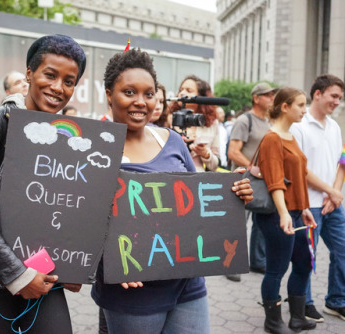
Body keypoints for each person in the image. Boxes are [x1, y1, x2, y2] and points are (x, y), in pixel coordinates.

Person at [91, 48, 253, 334]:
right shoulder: (93, 148)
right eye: (129, 92)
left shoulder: (173, 141)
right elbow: (78, 219)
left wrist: (233, 194)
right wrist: (110, 260)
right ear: (108, 94)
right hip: (133, 291)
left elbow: (195, 203)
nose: (140, 102)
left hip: (187, 283)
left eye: (149, 93)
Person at [0, 34, 86, 333]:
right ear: (29, 73)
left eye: (69, 81)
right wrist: (18, 275)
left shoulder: (70, 138)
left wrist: (75, 266)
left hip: (46, 276)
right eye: (50, 74)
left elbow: (67, 209)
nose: (58, 87)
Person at [254, 87, 317, 333]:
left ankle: (297, 317)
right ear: (285, 107)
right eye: (300, 105)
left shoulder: (290, 136)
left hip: (295, 212)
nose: (304, 110)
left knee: (303, 263)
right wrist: (283, 213)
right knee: (276, 269)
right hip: (276, 215)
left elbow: (298, 177)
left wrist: (304, 208)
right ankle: (273, 321)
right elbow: (275, 182)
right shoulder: (272, 139)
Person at [290, 74, 345, 322]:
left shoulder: (335, 127)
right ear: (318, 94)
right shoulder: (298, 126)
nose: (337, 102)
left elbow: (342, 163)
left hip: (331, 204)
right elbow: (300, 169)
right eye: (334, 96)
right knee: (306, 258)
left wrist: (335, 193)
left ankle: (336, 301)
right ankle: (305, 303)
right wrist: (331, 191)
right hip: (307, 204)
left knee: (342, 250)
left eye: (340, 98)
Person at [227, 82, 276, 282]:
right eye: (268, 95)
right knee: (238, 223)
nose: (272, 98)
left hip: (261, 181)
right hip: (243, 179)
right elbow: (233, 151)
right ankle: (231, 264)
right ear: (256, 98)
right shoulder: (244, 120)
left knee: (260, 221)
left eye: (273, 95)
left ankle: (257, 261)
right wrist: (251, 166)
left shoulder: (270, 123)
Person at [169, 75, 220, 172]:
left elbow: (215, 165)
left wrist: (206, 154)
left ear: (201, 96)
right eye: (181, 90)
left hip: (198, 181)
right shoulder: (169, 118)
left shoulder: (212, 123)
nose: (182, 93)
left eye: (189, 90)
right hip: (171, 176)